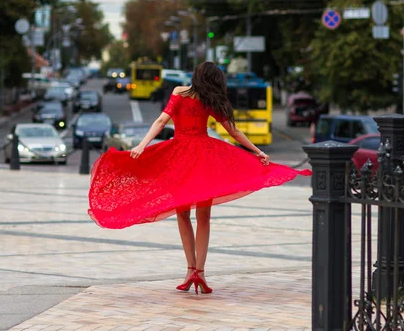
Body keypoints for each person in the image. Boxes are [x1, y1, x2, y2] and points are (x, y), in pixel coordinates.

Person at [88, 61, 311, 294]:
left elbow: (161, 121)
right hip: (205, 158)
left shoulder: (179, 93)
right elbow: (233, 131)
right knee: (203, 217)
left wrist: (143, 145)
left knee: (182, 214)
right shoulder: (210, 100)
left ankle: (190, 270)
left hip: (179, 157)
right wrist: (257, 151)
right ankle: (200, 273)